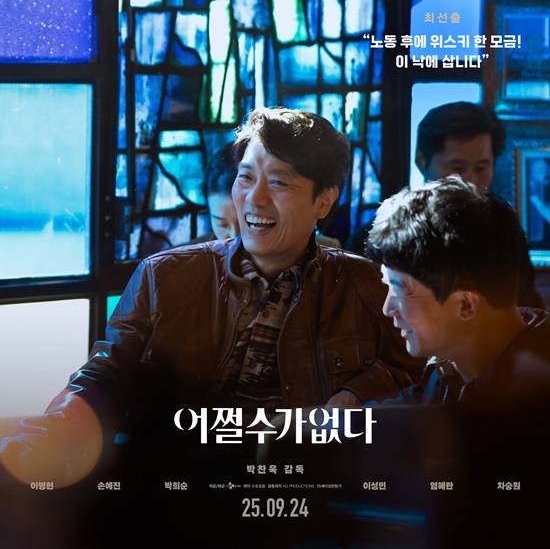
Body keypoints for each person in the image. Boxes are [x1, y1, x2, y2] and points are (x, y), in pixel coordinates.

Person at [0, 107, 421, 489]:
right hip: (181, 484)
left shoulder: (368, 285)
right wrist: (51, 433)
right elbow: (106, 375)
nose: (254, 199)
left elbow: (415, 370)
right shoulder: (165, 277)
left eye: (278, 183)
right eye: (246, 177)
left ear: (324, 200)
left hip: (306, 485)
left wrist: (356, 394)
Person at [365, 176, 550, 410]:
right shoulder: (450, 370)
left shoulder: (531, 402)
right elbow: (393, 416)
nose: (388, 308)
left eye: (400, 290)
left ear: (465, 305)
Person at [347, 101, 543, 308]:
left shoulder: (504, 234)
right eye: (457, 168)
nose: (470, 181)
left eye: (481, 168)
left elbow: (527, 309)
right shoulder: (375, 238)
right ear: (421, 161)